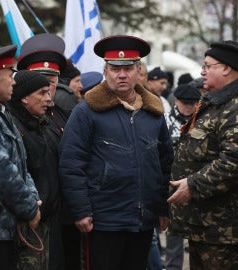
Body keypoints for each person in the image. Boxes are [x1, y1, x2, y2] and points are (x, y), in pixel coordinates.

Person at [59, 35, 174, 270]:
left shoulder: (153, 111)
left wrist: (163, 207)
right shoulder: (87, 111)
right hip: (103, 221)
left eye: (128, 68)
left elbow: (164, 162)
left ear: (139, 70)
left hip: (143, 221)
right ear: (105, 71)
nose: (122, 74)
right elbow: (71, 163)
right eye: (115, 69)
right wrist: (81, 210)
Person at [167, 40, 238, 270]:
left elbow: (233, 161)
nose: (202, 71)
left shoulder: (234, 107)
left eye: (208, 65)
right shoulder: (215, 102)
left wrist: (193, 185)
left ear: (226, 68)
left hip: (225, 233)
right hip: (204, 227)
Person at [0, 45, 41, 270]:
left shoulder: (3, 113)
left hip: (9, 227)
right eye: (10, 76)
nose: (14, 82)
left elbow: (22, 165)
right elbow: (3, 171)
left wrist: (32, 197)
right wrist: (30, 208)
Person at [17, 34, 68, 270]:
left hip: (59, 214)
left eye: (53, 79)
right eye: (42, 80)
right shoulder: (17, 119)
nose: (49, 86)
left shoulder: (62, 114)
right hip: (33, 216)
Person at [7, 70, 54, 270]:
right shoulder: (15, 127)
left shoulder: (40, 124)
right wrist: (31, 208)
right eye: (42, 93)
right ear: (24, 97)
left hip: (44, 218)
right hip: (26, 222)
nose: (48, 99)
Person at [164, 83, 201, 270]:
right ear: (176, 101)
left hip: (198, 185)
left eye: (193, 103)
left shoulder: (202, 120)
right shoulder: (164, 121)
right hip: (172, 184)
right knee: (174, 237)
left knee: (199, 238)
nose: (189, 106)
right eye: (185, 103)